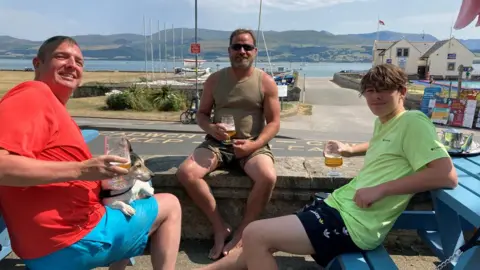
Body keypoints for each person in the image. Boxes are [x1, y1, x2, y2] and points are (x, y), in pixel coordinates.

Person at [196, 63, 458, 270]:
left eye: (384, 90)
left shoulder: (413, 121)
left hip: (355, 224)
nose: (375, 97)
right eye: (369, 91)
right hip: (338, 206)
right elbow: (386, 146)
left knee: (256, 234)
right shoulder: (387, 121)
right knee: (261, 240)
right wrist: (350, 149)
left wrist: (382, 190)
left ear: (402, 92)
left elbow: (446, 175)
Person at [0, 36, 181, 270]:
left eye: (79, 61)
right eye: (61, 56)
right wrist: (82, 169)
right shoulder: (33, 95)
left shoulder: (53, 108)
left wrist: (97, 179)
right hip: (69, 240)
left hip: (52, 241)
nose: (72, 65)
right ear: (37, 63)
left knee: (126, 210)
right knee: (170, 205)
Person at [176, 28, 280, 260]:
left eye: (247, 47)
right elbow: (202, 114)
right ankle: (220, 227)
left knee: (267, 176)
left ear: (255, 51)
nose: (241, 51)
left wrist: (255, 145)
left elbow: (273, 123)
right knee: (186, 173)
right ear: (229, 50)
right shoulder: (215, 80)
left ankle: (243, 231)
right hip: (218, 144)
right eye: (237, 47)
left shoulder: (265, 82)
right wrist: (211, 128)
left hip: (253, 144)